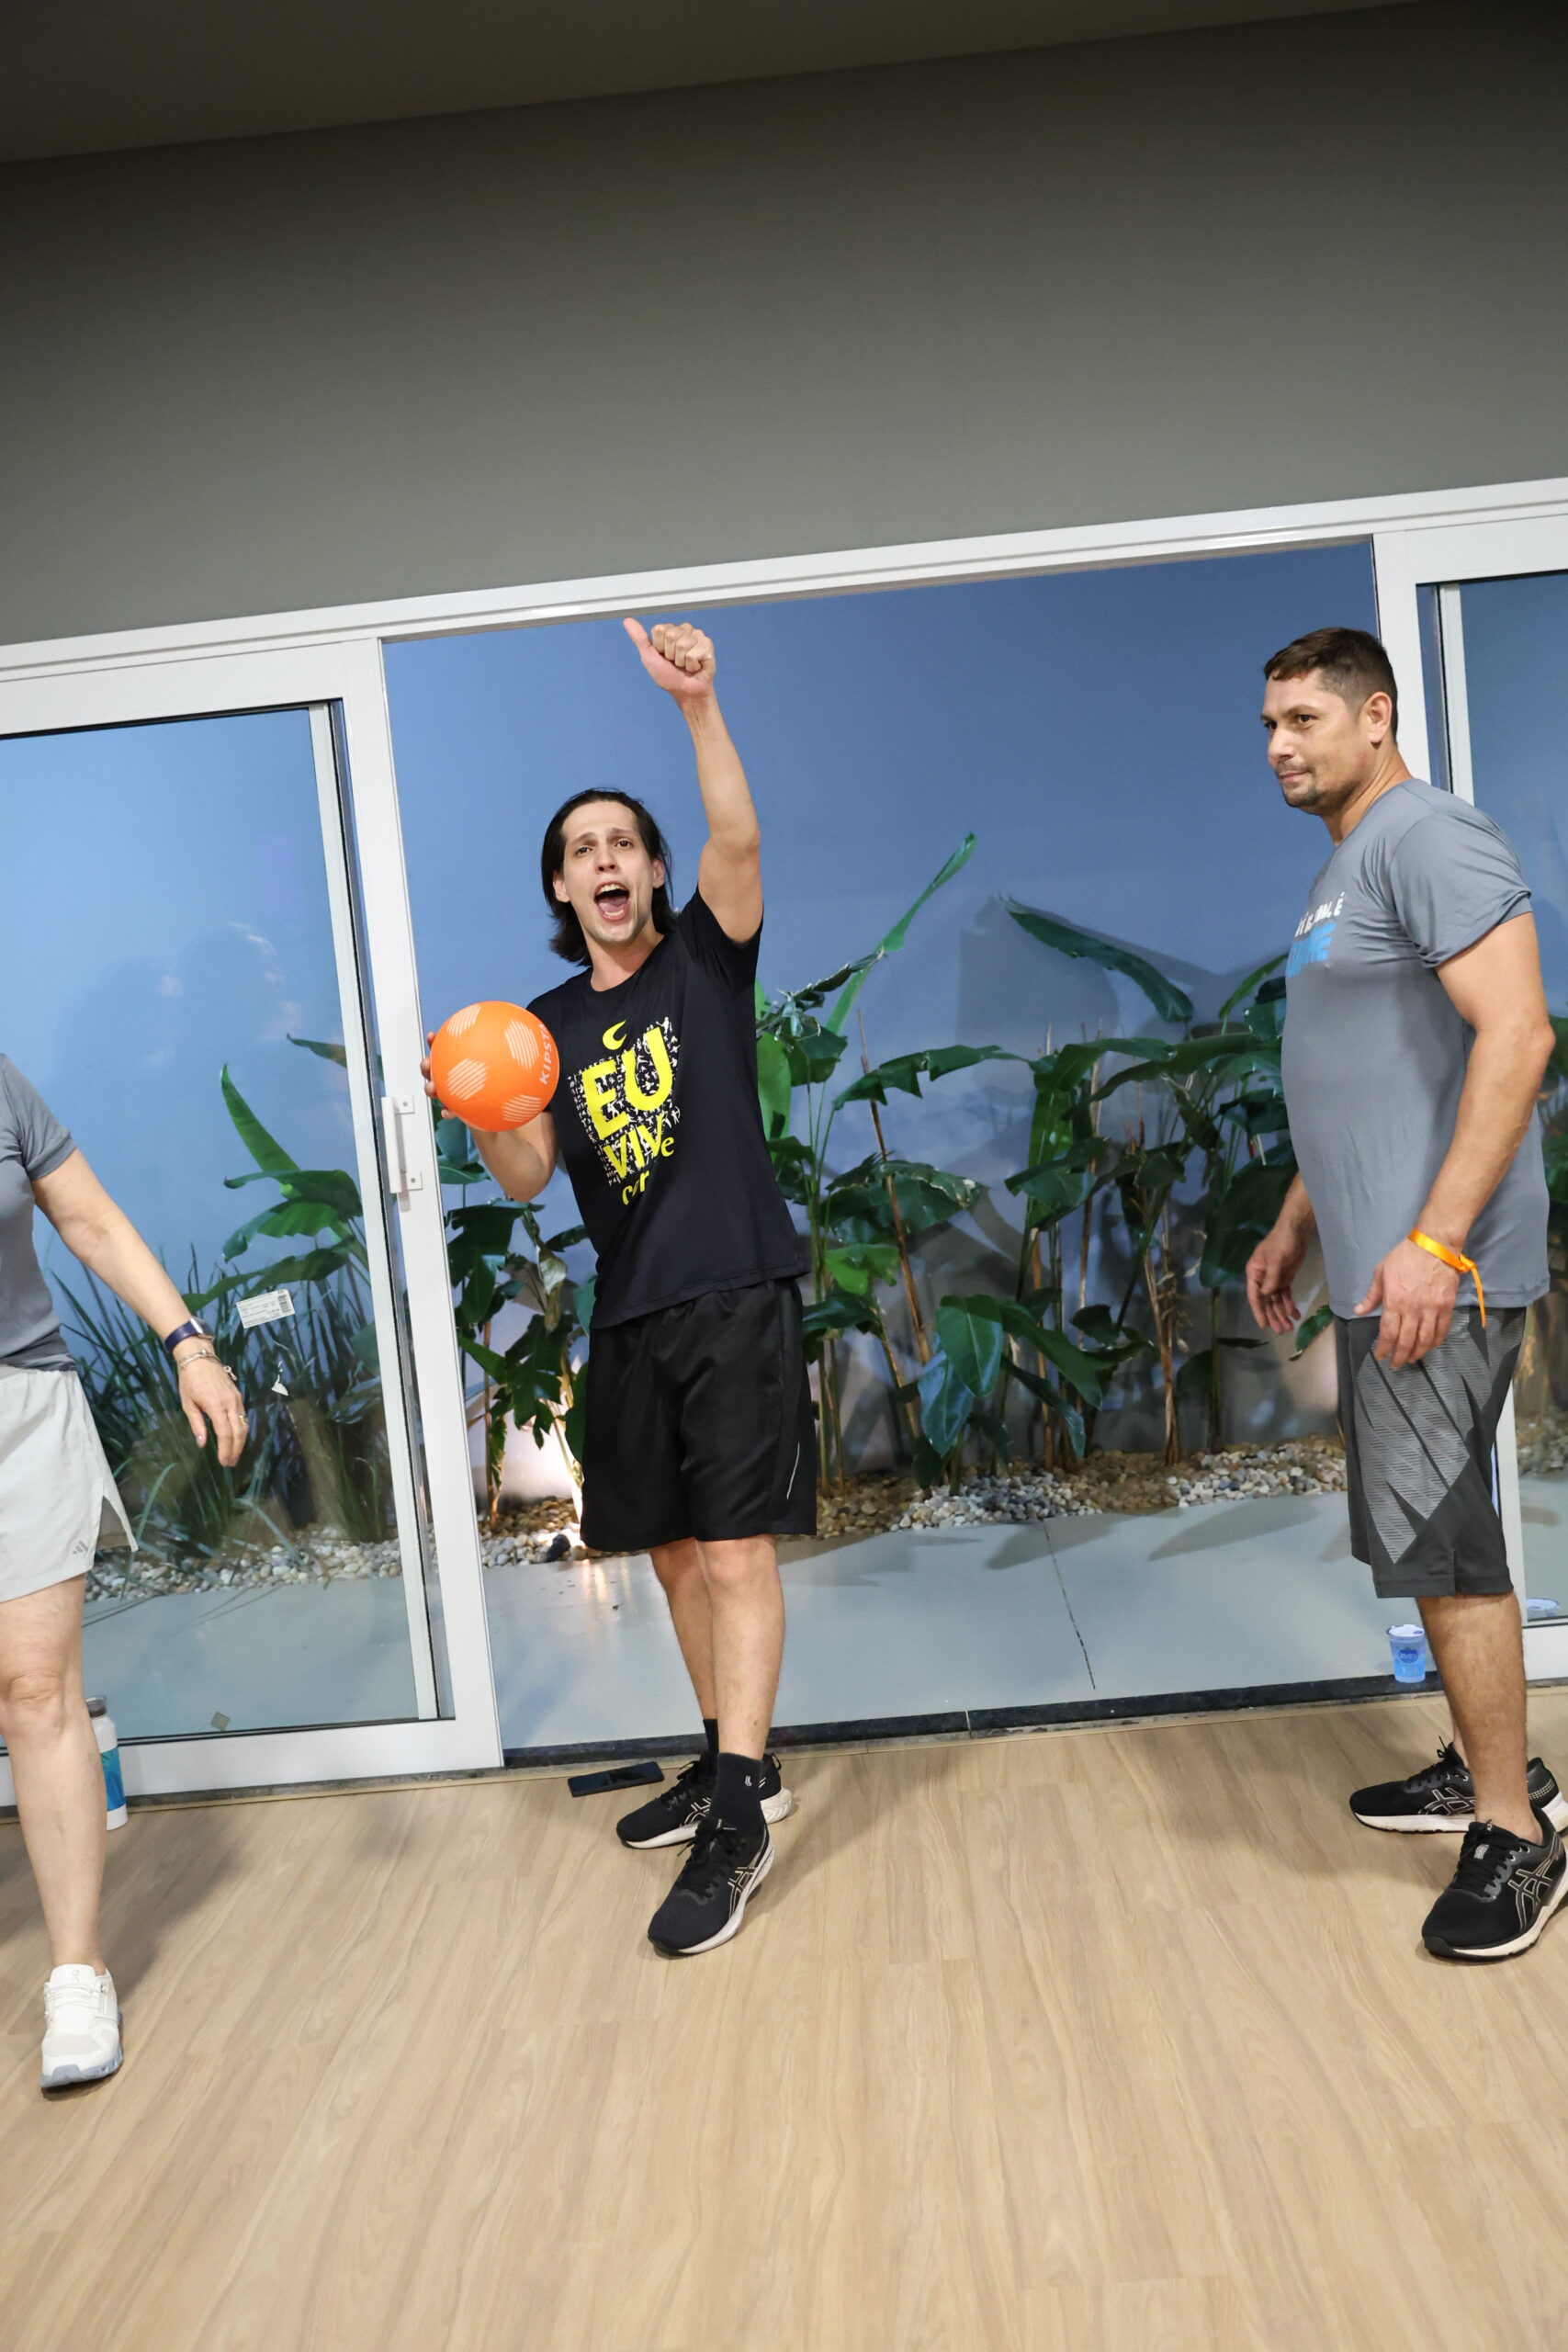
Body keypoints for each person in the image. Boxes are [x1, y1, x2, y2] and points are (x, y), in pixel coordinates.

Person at [425, 617, 811, 1958]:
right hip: (635, 1311)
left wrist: (698, 707)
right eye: (580, 849)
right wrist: (477, 1100)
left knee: (738, 1548)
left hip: (737, 1287)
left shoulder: (707, 956)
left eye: (622, 844)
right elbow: (531, 1170)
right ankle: (726, 1758)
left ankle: (741, 1816)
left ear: (652, 871)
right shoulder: (544, 1028)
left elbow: (738, 837)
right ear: (562, 885)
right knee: (671, 1551)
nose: (604, 861)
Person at [1246, 626, 1567, 1962]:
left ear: (1375, 716)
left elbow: (1518, 1032)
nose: (1279, 745)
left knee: (1439, 1540)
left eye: (1305, 720)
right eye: (1269, 724)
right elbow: (1364, 1066)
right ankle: (1484, 1764)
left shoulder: (1427, 836)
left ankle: (1516, 1833)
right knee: (1425, 1529)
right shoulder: (1345, 868)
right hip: (1383, 1263)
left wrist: (1435, 1242)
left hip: (1438, 1270)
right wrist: (1296, 1222)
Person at [0, 1057, 247, 2087]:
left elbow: (89, 1219)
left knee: (35, 1688)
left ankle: (76, 1970)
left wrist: (188, 1344)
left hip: (20, 1409)